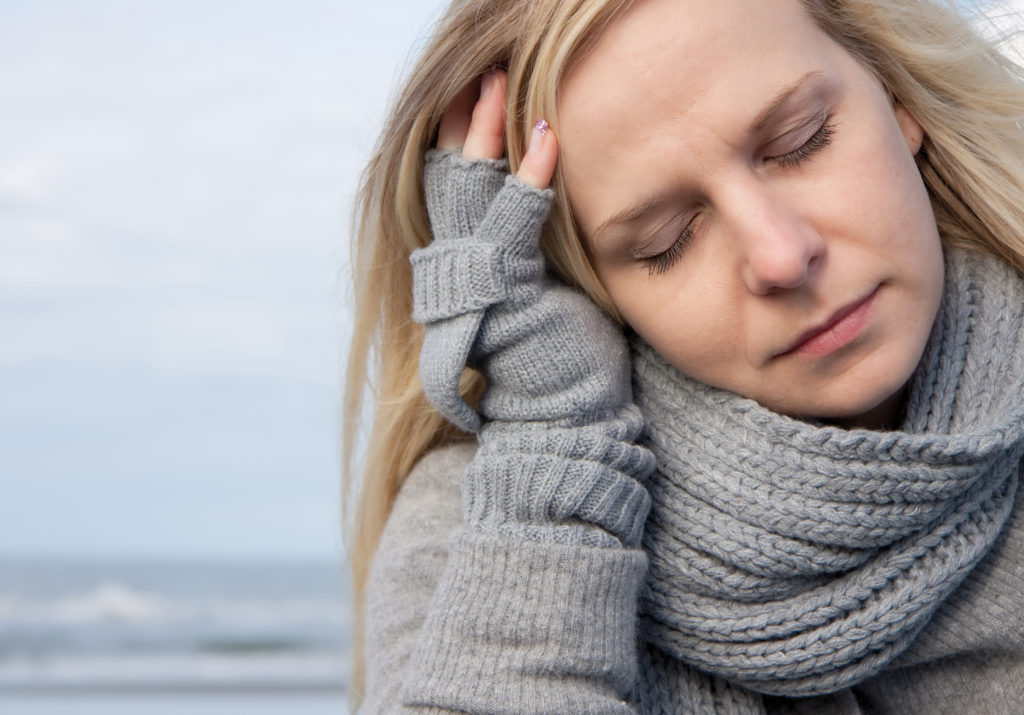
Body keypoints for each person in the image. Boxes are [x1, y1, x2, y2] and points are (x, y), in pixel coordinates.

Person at [343, 0, 1024, 711]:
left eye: (801, 139)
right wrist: (556, 444)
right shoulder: (479, 531)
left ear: (896, 96)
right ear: (591, 288)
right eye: (666, 241)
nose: (782, 255)